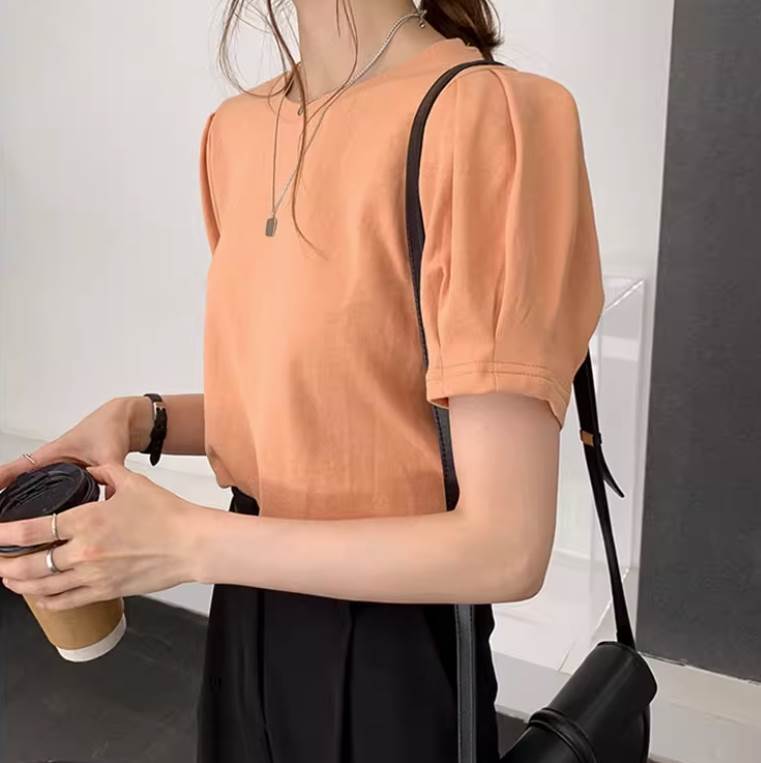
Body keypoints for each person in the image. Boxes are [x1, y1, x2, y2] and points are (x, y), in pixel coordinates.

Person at [0, 1, 605, 761]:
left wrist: (188, 544)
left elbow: (504, 547)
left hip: (390, 638)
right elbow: (330, 409)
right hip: (244, 610)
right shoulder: (236, 130)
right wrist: (138, 418)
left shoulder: (488, 117)